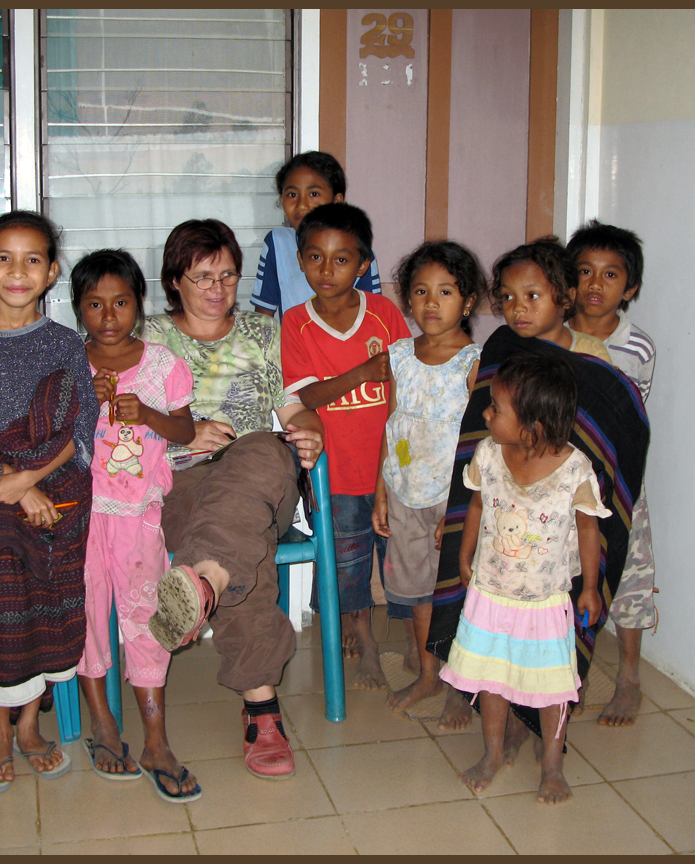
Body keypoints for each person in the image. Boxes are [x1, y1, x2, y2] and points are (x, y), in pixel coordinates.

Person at [426, 237, 650, 745]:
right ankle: (474, 685)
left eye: (532, 296)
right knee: (492, 607)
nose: (517, 309)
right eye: (506, 298)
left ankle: (544, 705)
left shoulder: (592, 357)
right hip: (505, 506)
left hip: (563, 521)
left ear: (564, 297)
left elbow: (613, 430)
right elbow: (478, 434)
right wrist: (460, 512)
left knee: (550, 619)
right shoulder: (501, 347)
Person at [141, 219, 325, 780]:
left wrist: (310, 432)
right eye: (202, 277)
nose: (218, 288)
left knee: (269, 449)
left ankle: (204, 586)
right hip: (181, 482)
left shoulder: (263, 333)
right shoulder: (148, 336)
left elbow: (292, 409)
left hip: (256, 472)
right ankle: (261, 710)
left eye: (228, 275)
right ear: (175, 281)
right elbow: (120, 429)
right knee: (241, 545)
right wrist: (186, 433)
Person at [0, 210, 99, 792]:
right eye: (3, 258)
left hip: (56, 478)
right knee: (5, 562)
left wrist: (36, 477)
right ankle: (1, 728)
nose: (17, 271)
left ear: (52, 271)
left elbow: (82, 430)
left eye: (32, 259)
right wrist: (15, 482)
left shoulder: (63, 343)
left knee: (56, 578)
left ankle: (32, 725)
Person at [69, 249, 203, 803]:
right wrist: (83, 401)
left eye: (119, 302)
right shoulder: (70, 364)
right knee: (85, 619)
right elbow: (50, 436)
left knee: (147, 621)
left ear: (137, 304)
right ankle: (102, 724)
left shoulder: (164, 365)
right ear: (77, 309)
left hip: (138, 518)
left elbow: (186, 432)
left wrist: (146, 414)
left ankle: (155, 740)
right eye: (94, 304)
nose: (107, 316)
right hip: (77, 516)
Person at [444, 354, 609, 803]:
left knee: (552, 686)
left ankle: (553, 764)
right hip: (491, 593)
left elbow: (589, 528)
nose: (486, 413)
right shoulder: (488, 454)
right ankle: (493, 753)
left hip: (544, 599)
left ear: (532, 426)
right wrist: (465, 553)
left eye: (496, 409)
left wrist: (590, 587)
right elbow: (476, 506)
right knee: (491, 679)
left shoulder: (574, 470)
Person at [281, 203, 411, 689]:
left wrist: (399, 461)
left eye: (341, 259)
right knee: (345, 561)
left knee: (397, 556)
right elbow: (303, 395)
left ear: (363, 264)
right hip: (333, 473)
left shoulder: (383, 314)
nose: (327, 269)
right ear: (300, 260)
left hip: (388, 468)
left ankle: (411, 639)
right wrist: (360, 374)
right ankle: (365, 639)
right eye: (315, 257)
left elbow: (402, 384)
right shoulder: (296, 323)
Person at [370, 241, 482, 714]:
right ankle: (427, 673)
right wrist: (381, 491)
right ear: (408, 300)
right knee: (417, 589)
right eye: (420, 291)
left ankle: (463, 686)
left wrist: (461, 507)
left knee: (458, 590)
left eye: (446, 291)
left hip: (453, 497)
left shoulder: (472, 361)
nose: (431, 303)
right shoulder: (398, 355)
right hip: (404, 491)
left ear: (468, 302)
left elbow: (481, 440)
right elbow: (391, 421)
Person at [567, 220, 656, 727]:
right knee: (565, 577)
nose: (596, 285)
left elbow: (629, 420)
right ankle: (563, 672)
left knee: (630, 577)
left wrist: (619, 486)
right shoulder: (555, 333)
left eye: (610, 274)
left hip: (619, 483)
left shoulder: (636, 347)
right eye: (585, 272)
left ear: (631, 286)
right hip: (562, 484)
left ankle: (628, 679)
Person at [251, 151, 382, 319]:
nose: (302, 204)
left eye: (313, 194)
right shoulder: (277, 243)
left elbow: (374, 315)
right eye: (292, 194)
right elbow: (263, 317)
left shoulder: (356, 249)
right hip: (294, 344)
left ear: (337, 200)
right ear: (282, 201)